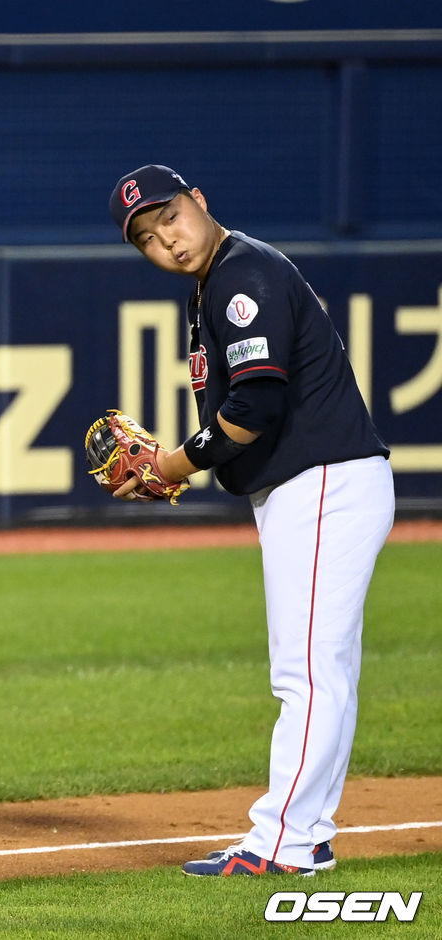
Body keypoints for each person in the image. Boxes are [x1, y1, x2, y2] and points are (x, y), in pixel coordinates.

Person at [107, 165, 395, 876]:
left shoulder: (242, 276)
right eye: (146, 237)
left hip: (322, 485)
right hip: (316, 487)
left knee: (306, 675)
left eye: (169, 217)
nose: (166, 241)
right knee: (324, 673)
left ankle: (282, 845)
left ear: (199, 201)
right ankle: (311, 832)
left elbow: (256, 407)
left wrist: (172, 464)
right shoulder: (220, 281)